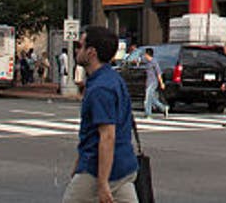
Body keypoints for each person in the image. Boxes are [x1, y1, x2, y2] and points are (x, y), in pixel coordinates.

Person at [62, 26, 138, 203]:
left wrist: (102, 183)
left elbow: (107, 135)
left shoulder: (100, 88)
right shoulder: (113, 79)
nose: (76, 50)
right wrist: (78, 164)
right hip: (123, 165)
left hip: (98, 171)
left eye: (80, 46)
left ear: (91, 52)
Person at [141, 50, 169, 119]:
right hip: (148, 83)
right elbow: (139, 60)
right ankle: (163, 108)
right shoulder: (147, 62)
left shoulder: (154, 62)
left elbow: (159, 73)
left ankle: (148, 114)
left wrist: (161, 83)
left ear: (148, 54)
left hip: (153, 82)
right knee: (152, 98)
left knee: (147, 99)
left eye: (145, 54)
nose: (144, 56)